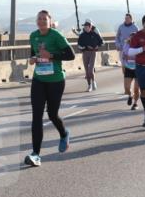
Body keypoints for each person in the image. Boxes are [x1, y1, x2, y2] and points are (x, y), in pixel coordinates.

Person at [25, 10, 75, 167]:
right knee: (36, 117)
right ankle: (36, 155)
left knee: (52, 114)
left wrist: (51, 55)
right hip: (39, 79)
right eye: (39, 18)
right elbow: (34, 53)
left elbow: (71, 55)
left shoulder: (56, 35)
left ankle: (64, 133)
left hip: (56, 81)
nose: (41, 21)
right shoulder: (33, 36)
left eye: (44, 19)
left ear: (49, 21)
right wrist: (33, 59)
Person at [116, 13, 138, 102]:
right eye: (125, 18)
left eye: (128, 18)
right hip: (124, 48)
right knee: (124, 68)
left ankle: (134, 97)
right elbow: (117, 37)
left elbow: (139, 37)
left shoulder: (135, 27)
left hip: (135, 54)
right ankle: (128, 87)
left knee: (136, 84)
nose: (126, 19)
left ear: (131, 19)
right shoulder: (121, 27)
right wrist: (118, 44)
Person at [77, 20, 104, 92]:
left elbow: (101, 42)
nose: (85, 28)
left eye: (86, 27)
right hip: (85, 53)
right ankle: (89, 85)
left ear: (90, 27)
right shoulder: (82, 35)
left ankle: (93, 81)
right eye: (84, 27)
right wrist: (85, 47)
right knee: (86, 71)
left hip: (93, 53)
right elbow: (79, 45)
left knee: (90, 70)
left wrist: (96, 47)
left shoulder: (95, 34)